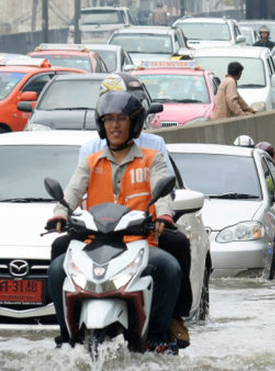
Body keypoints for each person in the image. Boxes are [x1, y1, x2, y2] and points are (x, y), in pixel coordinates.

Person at [47, 90, 182, 353]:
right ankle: (67, 337)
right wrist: (59, 214)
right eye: (109, 119)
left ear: (134, 123)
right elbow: (72, 192)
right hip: (93, 243)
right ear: (101, 124)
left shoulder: (151, 159)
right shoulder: (91, 161)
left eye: (121, 118)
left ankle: (157, 335)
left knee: (170, 269)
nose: (115, 125)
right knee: (54, 270)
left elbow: (162, 192)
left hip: (139, 242)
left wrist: (163, 215)